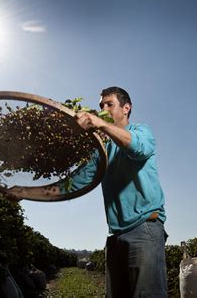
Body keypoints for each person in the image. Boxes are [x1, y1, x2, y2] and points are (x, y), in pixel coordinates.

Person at [75, 86, 168, 297]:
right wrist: (25, 191)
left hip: (145, 229)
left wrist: (99, 123)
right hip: (115, 236)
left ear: (126, 108)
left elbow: (137, 148)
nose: (103, 109)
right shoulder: (101, 149)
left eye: (109, 104)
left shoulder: (141, 131)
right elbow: (77, 182)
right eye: (101, 106)